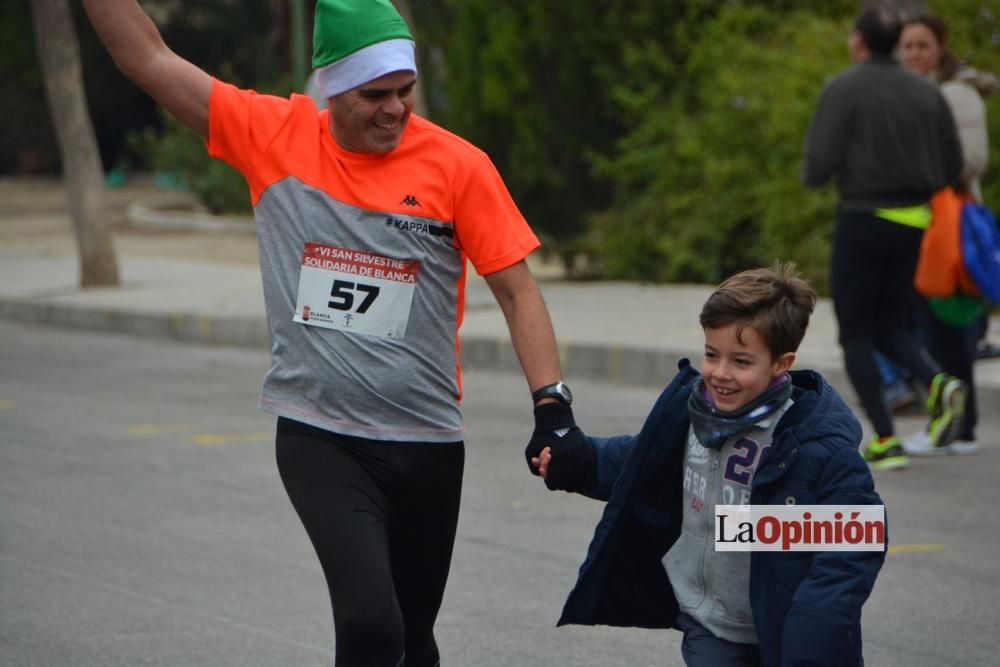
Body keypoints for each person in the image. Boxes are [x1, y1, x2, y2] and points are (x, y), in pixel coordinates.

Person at [82, 1, 589, 665]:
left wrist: (551, 405)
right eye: (374, 95)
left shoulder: (457, 166)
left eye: (405, 91)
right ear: (331, 89)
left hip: (428, 441)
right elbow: (145, 57)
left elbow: (518, 290)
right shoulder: (273, 135)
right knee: (371, 622)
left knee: (411, 640)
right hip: (322, 434)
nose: (395, 110)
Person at [531, 263, 886, 667]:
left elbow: (855, 537)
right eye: (712, 355)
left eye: (741, 361)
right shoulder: (694, 414)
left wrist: (816, 623)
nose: (720, 373)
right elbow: (644, 461)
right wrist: (583, 462)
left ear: (781, 364)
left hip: (789, 633)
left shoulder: (813, 443)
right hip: (710, 625)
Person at [801, 4, 967, 471]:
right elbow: (952, 166)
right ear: (896, 43)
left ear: (858, 41)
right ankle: (937, 381)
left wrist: (824, 174)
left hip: (862, 217)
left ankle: (886, 439)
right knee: (892, 326)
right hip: (916, 221)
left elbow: (818, 166)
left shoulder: (844, 87)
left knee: (856, 333)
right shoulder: (925, 91)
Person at [896, 13, 997, 455]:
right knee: (924, 326)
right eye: (907, 46)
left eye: (922, 45)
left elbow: (972, 159)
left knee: (948, 326)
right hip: (913, 224)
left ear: (940, 47)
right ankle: (951, 422)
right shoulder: (901, 90)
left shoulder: (957, 94)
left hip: (948, 226)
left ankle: (960, 427)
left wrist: (914, 170)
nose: (914, 53)